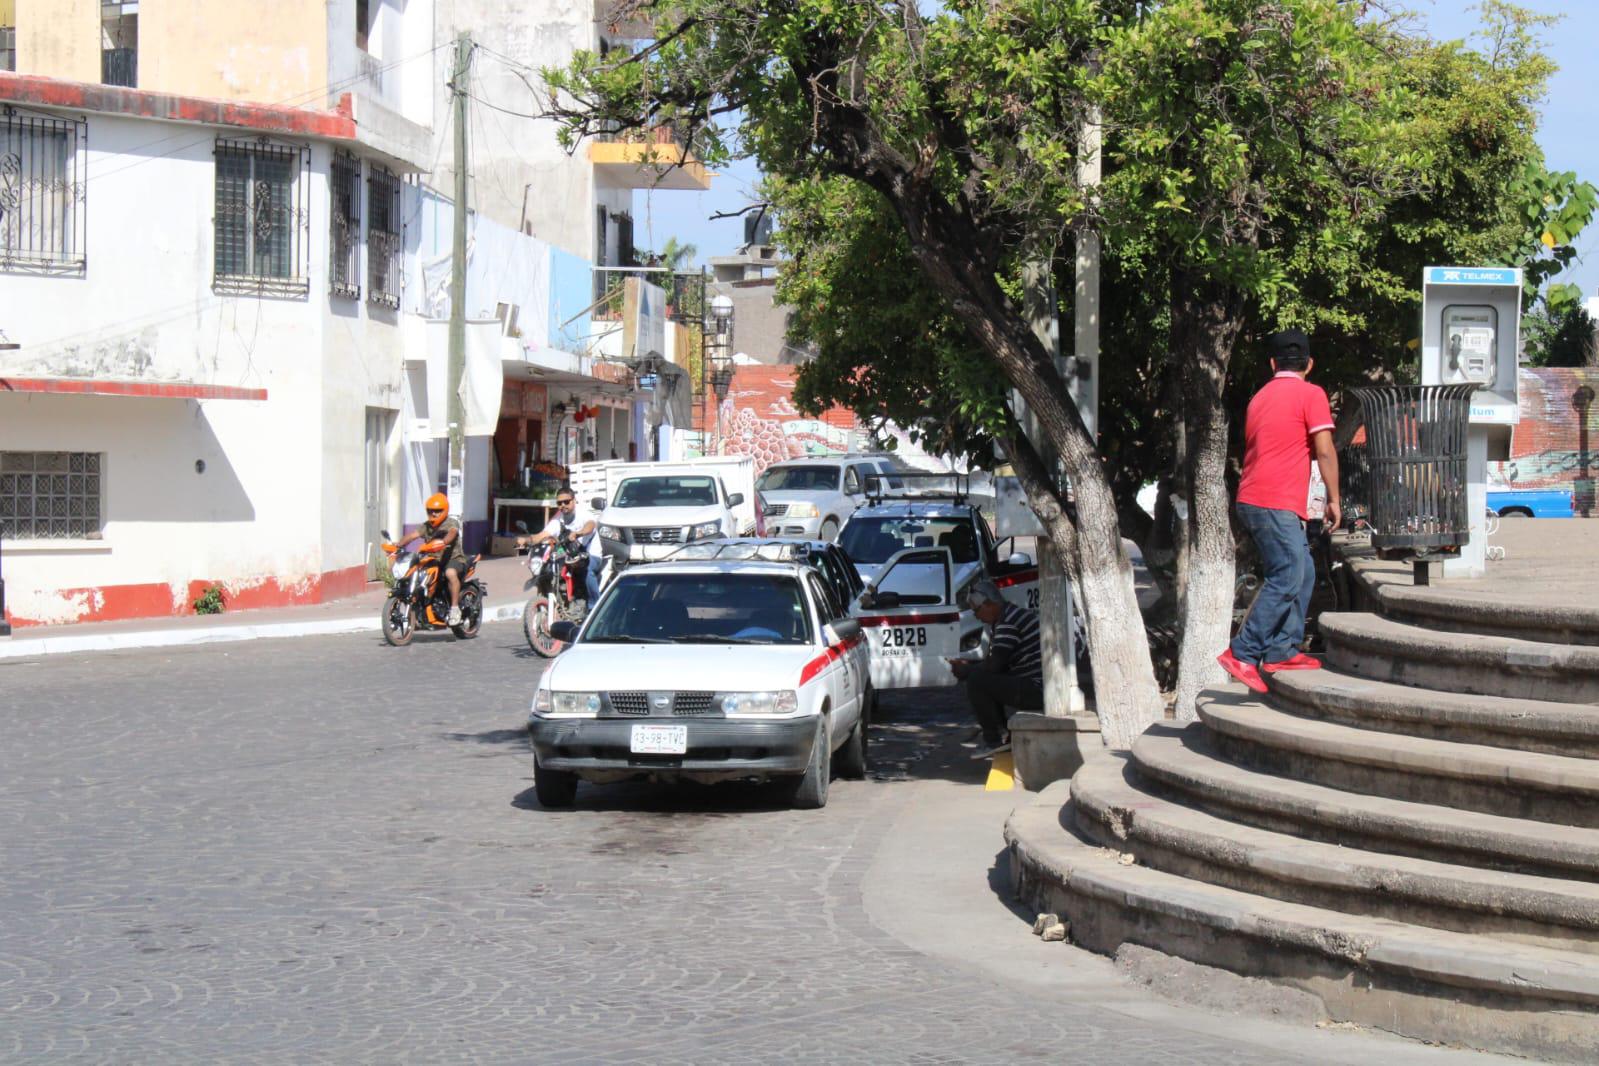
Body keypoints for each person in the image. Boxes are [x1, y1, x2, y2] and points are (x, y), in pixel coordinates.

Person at [1217, 330, 1342, 694]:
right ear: (1310, 364)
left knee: (1301, 572)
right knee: (1288, 573)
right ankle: (1243, 652)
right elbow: (1325, 451)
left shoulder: (1259, 397)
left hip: (1255, 498)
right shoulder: (1311, 393)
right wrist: (1334, 499)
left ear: (1272, 364)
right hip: (1275, 501)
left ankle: (1281, 650)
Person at [946, 580, 1043, 760]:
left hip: (1037, 688)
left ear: (989, 604)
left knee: (977, 680)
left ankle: (993, 740)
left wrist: (967, 671)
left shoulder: (1008, 622)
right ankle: (1001, 733)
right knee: (981, 676)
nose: (976, 616)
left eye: (976, 610)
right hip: (1034, 684)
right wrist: (970, 666)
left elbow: (995, 664)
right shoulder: (1009, 617)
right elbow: (996, 663)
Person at [519, 486, 602, 604]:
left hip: (590, 553)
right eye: (559, 503)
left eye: (566, 502)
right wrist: (526, 540)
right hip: (569, 552)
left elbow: (590, 525)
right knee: (550, 565)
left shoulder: (584, 514)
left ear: (574, 501)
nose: (563, 505)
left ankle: (594, 606)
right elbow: (543, 534)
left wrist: (579, 533)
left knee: (587, 570)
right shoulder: (558, 519)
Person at [397, 493, 466, 625]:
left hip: (453, 559)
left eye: (438, 511)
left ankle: (454, 609)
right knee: (415, 574)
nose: (434, 514)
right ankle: (421, 610)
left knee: (450, 573)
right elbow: (413, 535)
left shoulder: (451, 522)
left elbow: (452, 532)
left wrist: (444, 542)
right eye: (431, 511)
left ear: (445, 510)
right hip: (433, 561)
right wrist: (398, 545)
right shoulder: (427, 526)